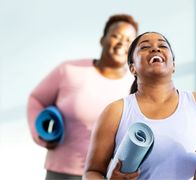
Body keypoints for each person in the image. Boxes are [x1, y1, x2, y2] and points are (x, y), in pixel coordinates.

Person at [83, 32, 196, 180]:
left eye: (162, 45)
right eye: (145, 47)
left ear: (173, 66)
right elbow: (91, 172)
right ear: (133, 68)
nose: (155, 49)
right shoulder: (115, 111)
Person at [27, 14, 138, 179]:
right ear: (102, 39)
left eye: (129, 40)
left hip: (106, 175)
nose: (122, 42)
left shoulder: (136, 86)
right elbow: (36, 99)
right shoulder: (69, 70)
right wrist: (40, 134)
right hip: (62, 172)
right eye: (116, 36)